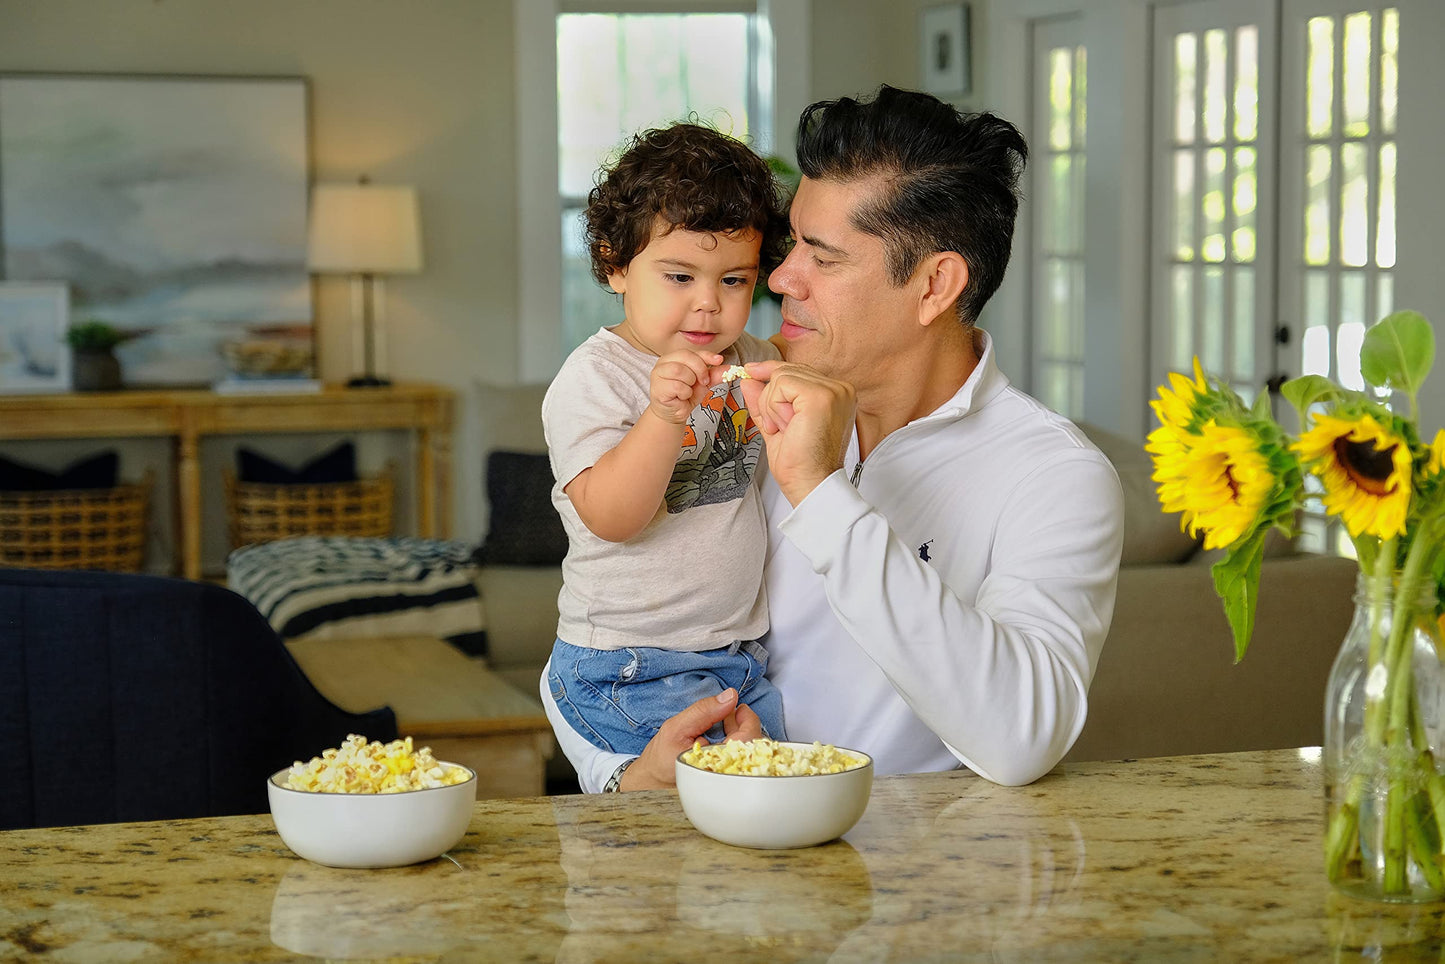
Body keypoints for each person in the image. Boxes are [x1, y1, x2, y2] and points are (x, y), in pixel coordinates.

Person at [543, 86, 1126, 792]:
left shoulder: (1051, 475)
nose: (778, 279)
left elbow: (1021, 739)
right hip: (728, 868)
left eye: (821, 257)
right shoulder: (739, 393)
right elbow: (611, 620)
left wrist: (821, 493)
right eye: (789, 248)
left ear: (935, 285)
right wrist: (627, 777)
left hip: (925, 879)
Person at [541, 122, 792, 760]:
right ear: (615, 265)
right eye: (680, 277)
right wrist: (661, 416)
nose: (709, 304)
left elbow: (819, 369)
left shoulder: (750, 357)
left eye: (733, 280)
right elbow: (613, 517)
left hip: (734, 660)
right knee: (671, 837)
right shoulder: (596, 377)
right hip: (628, 664)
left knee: (760, 820)